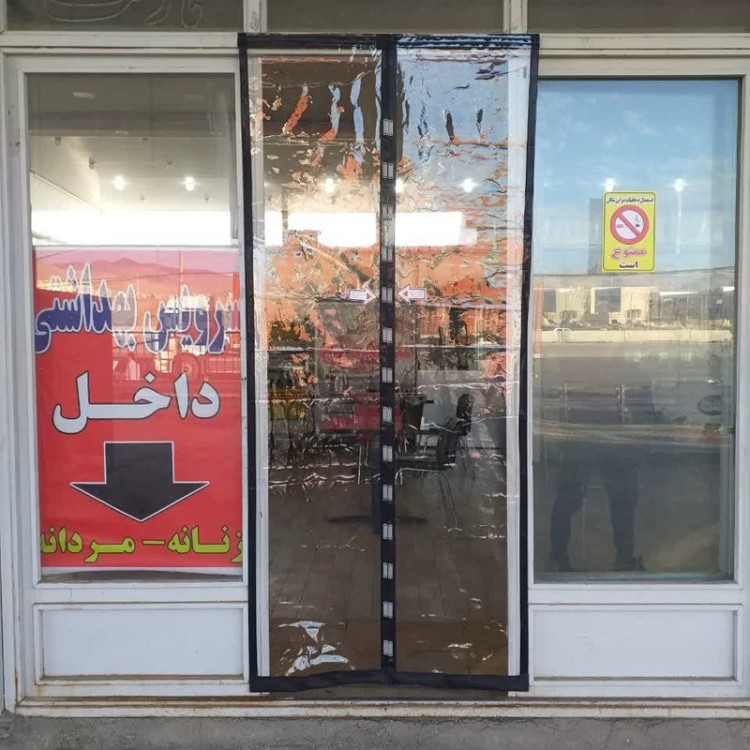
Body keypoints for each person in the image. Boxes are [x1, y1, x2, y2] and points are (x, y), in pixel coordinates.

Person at [547, 383, 658, 573]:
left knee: (572, 498)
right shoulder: (624, 368)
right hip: (610, 436)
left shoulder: (579, 368)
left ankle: (558, 558)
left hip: (589, 434)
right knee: (620, 500)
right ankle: (623, 560)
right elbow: (643, 400)